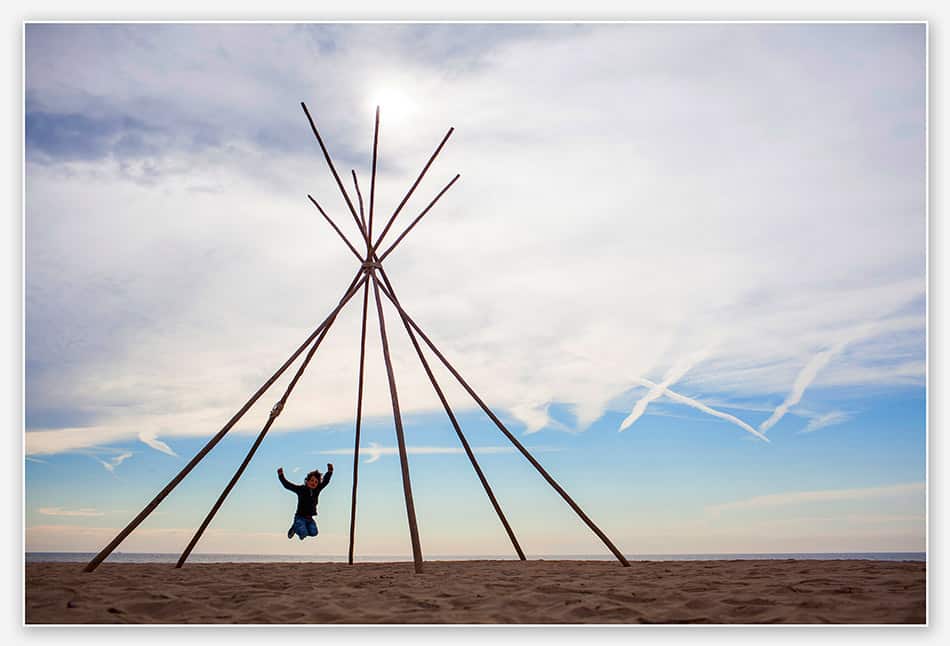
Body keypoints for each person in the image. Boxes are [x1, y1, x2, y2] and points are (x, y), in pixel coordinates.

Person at [278, 463, 333, 540]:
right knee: (303, 534)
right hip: (300, 517)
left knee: (314, 533)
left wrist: (330, 472)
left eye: (316, 482)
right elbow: (288, 485)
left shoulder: (317, 490)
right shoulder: (301, 489)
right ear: (307, 481)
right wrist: (281, 476)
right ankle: (295, 528)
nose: (313, 483)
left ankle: (300, 528)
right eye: (312, 481)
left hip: (309, 519)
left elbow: (325, 481)